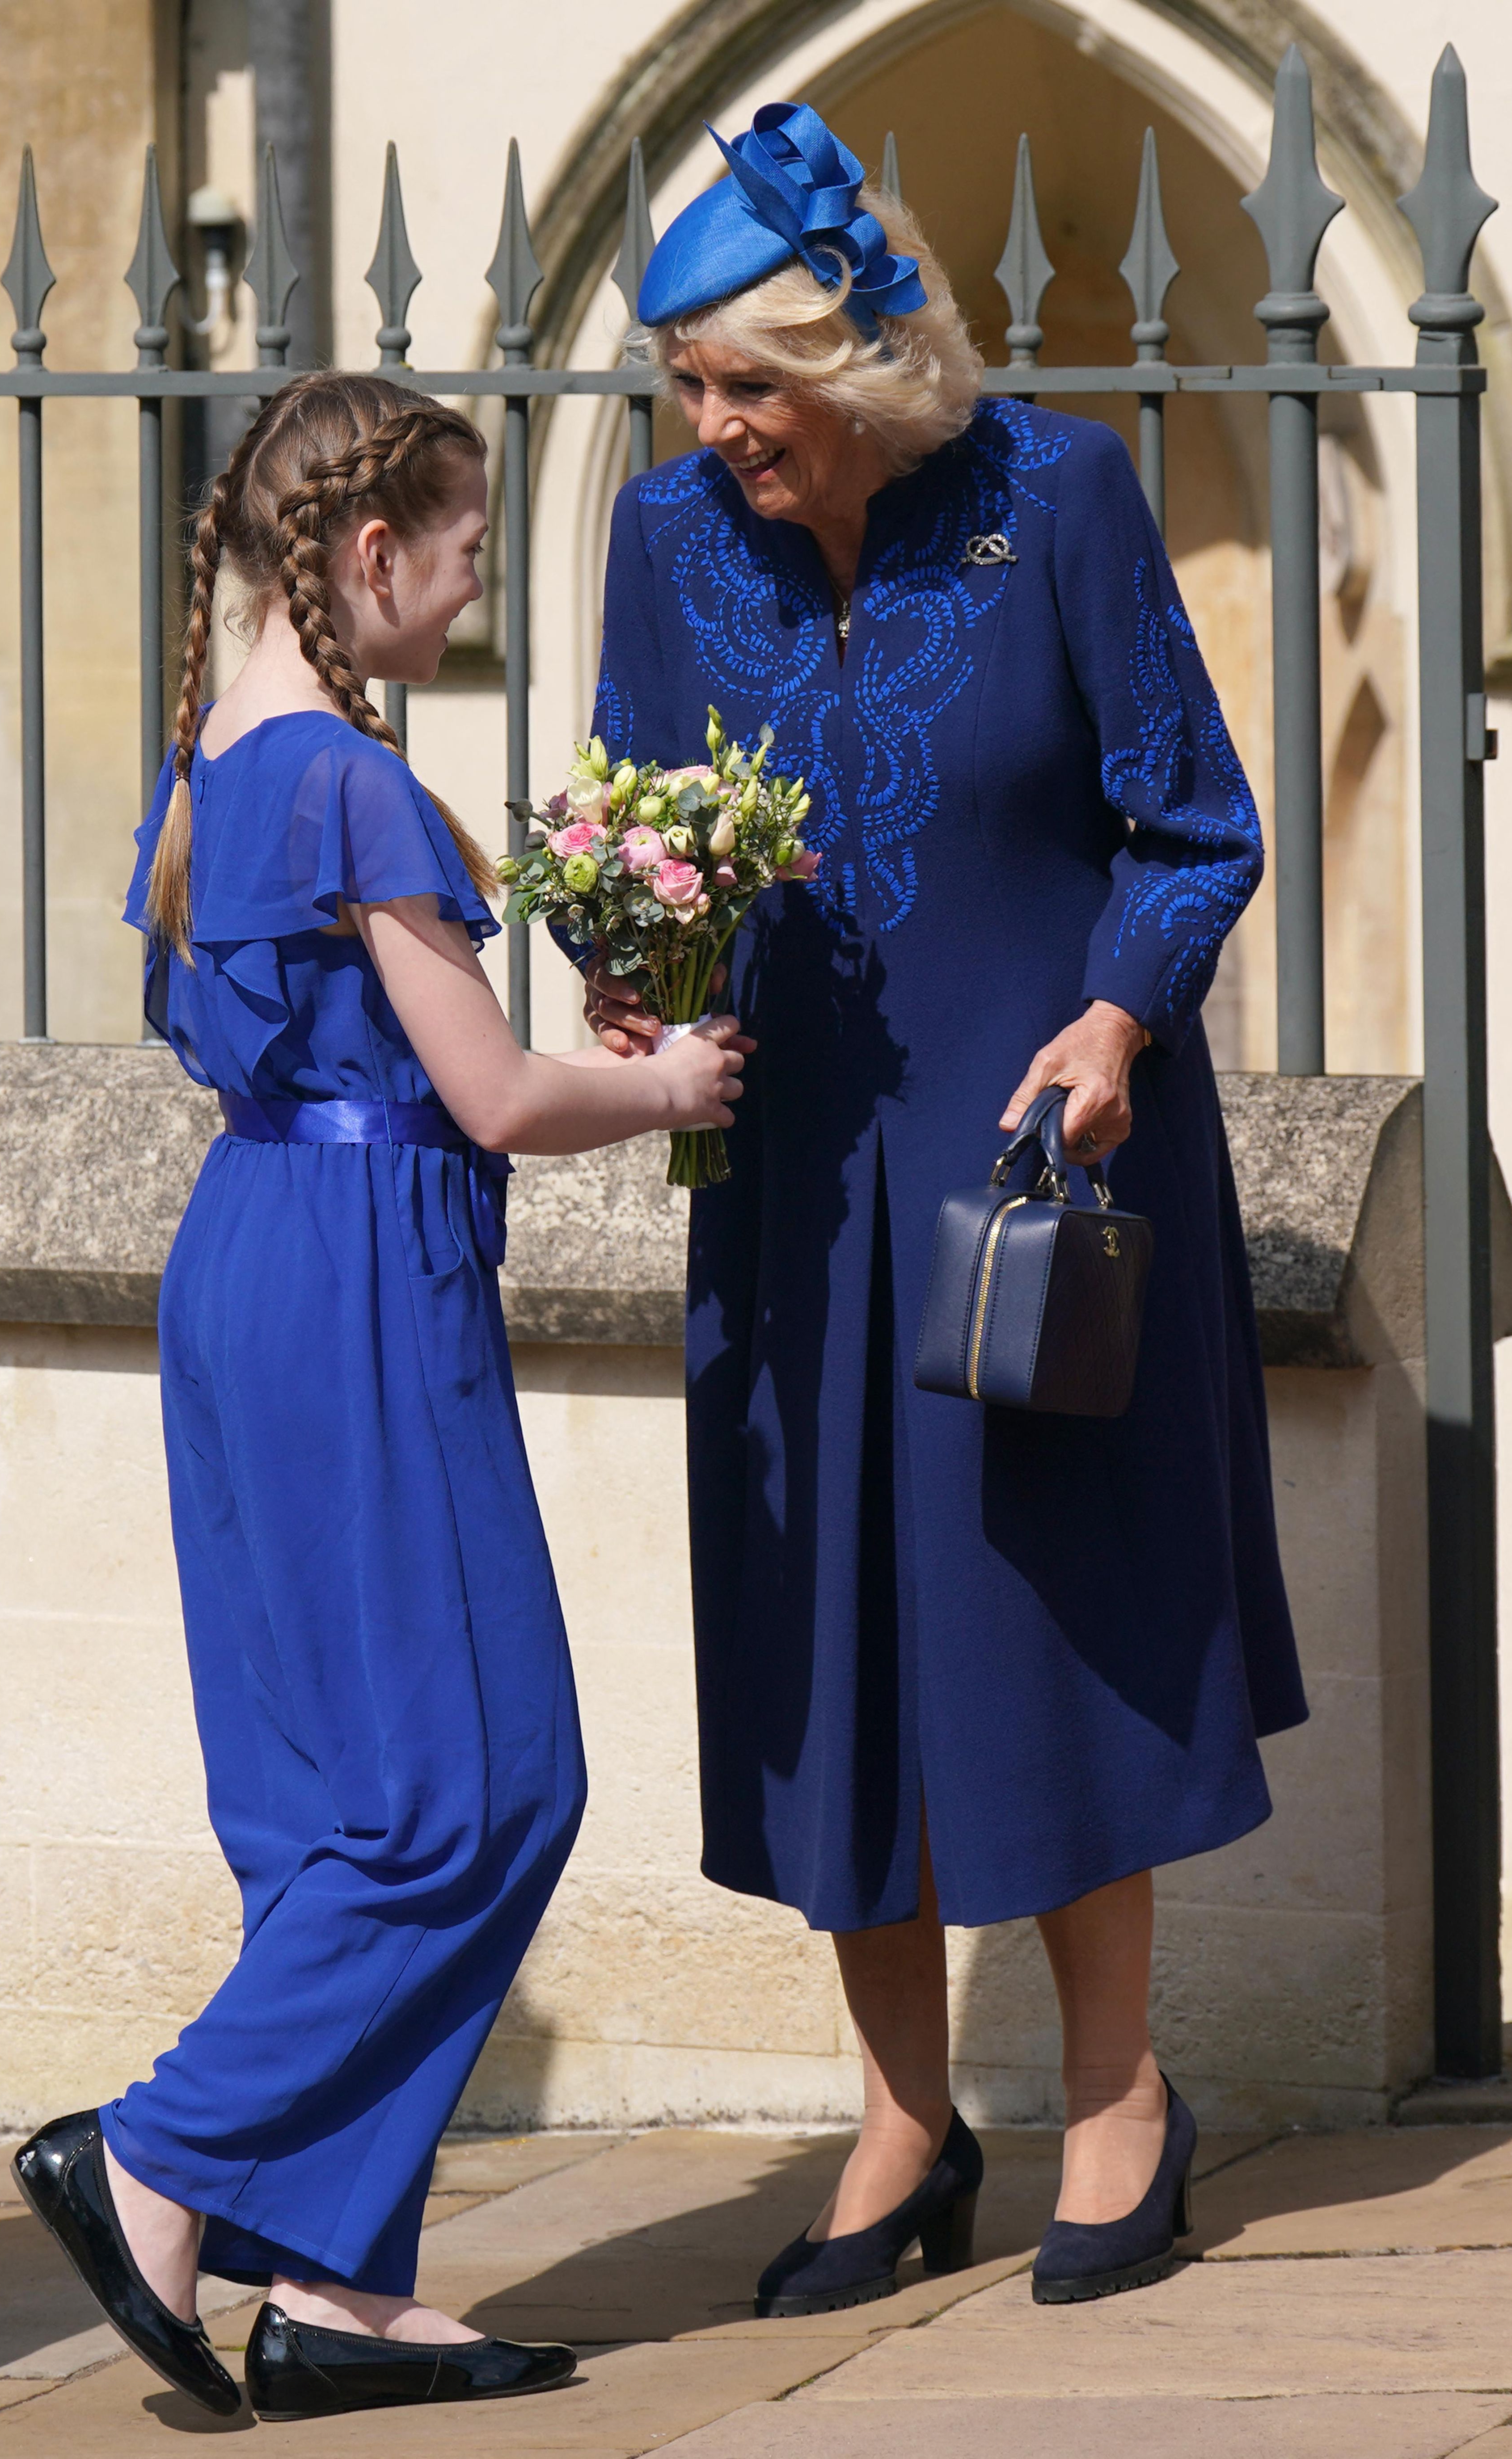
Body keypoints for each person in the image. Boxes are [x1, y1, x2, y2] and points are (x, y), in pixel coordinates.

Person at [582, 104, 1306, 2314]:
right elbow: (630, 833)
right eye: (689, 386)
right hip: (788, 1181)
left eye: (750, 387)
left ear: (865, 364)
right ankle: (904, 2119)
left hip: (1033, 1165)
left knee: (1045, 1624)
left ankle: (1116, 2104)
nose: (713, 429)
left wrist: (1116, 1022)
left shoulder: (1057, 502)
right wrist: (624, 963)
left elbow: (1194, 828)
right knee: (829, 1657)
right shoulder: (659, 538)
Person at [12, 371, 748, 2424]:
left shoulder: (203, 774)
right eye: (460, 549)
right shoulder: (354, 783)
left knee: (327, 1803)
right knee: (481, 1785)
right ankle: (155, 2154)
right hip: (359, 1274)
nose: (468, 586)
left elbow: (261, 1039)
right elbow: (495, 1097)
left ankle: (336, 2289)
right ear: (362, 555)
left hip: (240, 1261)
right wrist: (674, 1079)